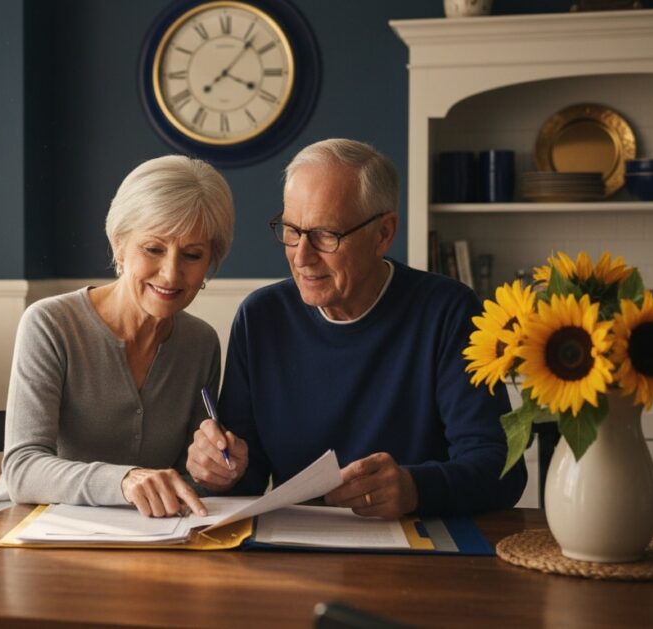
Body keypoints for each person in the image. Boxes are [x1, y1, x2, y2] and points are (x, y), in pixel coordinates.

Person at [186, 139, 525, 518]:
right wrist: (220, 470)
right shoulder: (261, 317)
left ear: (383, 234)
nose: (301, 256)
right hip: (295, 549)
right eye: (291, 230)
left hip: (419, 549)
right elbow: (245, 479)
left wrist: (416, 489)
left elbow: (502, 470)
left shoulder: (449, 312)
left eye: (326, 235)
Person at [0, 155, 235, 518]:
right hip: (28, 527)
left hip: (139, 539)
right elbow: (22, 468)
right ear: (119, 244)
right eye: (153, 249)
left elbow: (186, 478)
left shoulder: (201, 344)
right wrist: (124, 481)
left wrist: (213, 472)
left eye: (193, 255)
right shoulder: (50, 324)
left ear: (211, 261)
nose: (170, 274)